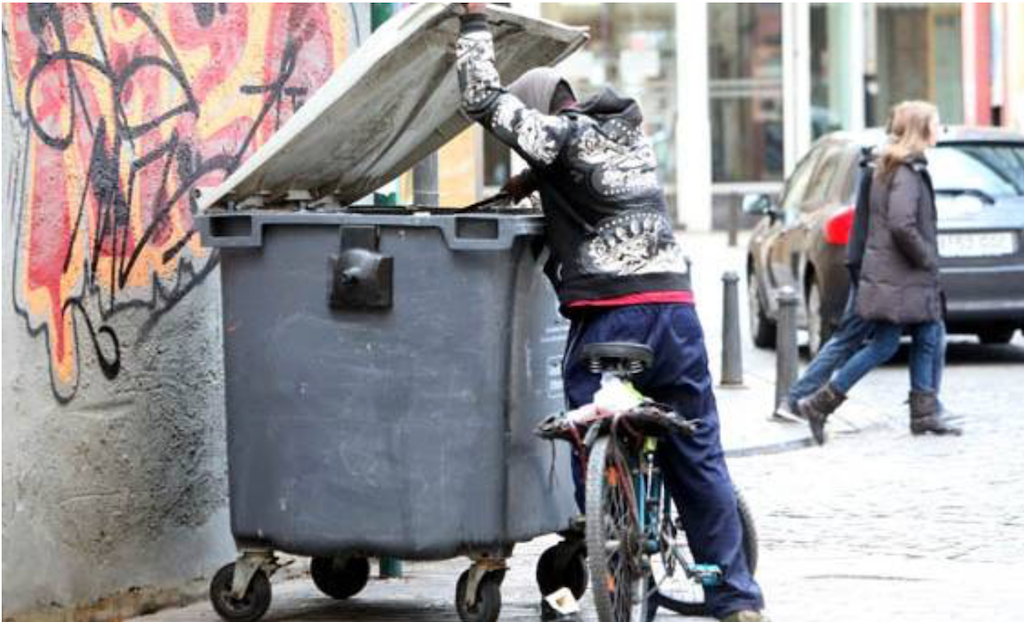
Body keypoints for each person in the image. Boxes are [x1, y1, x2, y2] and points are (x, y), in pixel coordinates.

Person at [455, 5, 765, 622]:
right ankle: (735, 598)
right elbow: (592, 183)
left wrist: (472, 30)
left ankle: (608, 536)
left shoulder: (560, 138)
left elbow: (483, 100)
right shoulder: (631, 140)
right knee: (697, 449)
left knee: (588, 427)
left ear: (544, 112)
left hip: (611, 317)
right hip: (675, 310)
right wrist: (531, 181)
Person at [796, 101, 962, 443]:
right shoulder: (904, 171)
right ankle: (821, 403)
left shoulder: (891, 166)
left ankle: (922, 412)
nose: (939, 129)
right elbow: (902, 224)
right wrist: (927, 256)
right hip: (902, 276)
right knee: (916, 335)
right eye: (935, 123)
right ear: (920, 129)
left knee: (910, 337)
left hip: (893, 276)